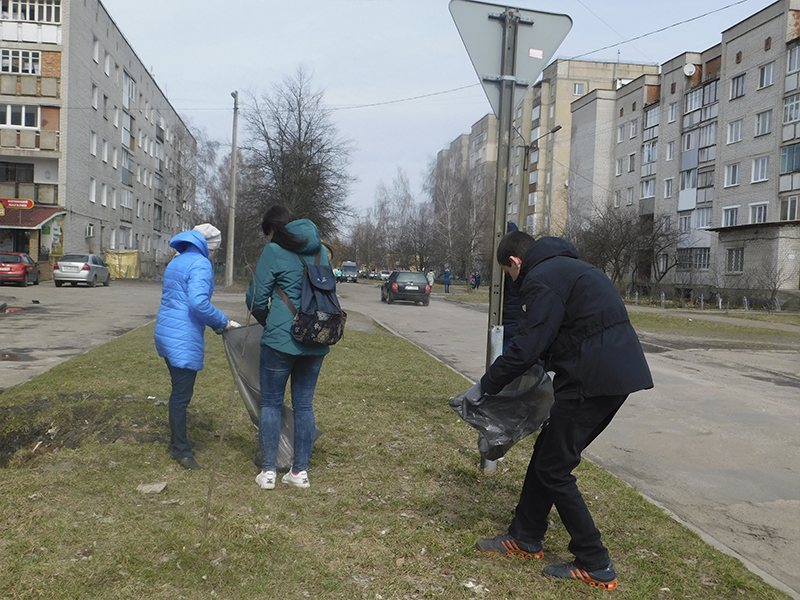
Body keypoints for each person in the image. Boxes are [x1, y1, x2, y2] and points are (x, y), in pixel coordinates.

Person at [458, 230, 653, 590]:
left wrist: (484, 387)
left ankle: (595, 561)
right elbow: (563, 331)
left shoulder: (541, 278)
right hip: (607, 375)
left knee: (555, 468)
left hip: (593, 381)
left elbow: (526, 347)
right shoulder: (567, 267)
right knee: (548, 456)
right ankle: (525, 536)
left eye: (508, 274)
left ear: (514, 263)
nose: (513, 282)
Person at [246, 206, 331, 490]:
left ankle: (268, 472)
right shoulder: (322, 251)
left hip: (281, 340)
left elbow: (256, 299)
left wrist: (267, 322)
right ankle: (300, 473)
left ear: (272, 229)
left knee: (271, 402)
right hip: (317, 337)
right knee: (304, 405)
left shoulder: (273, 251)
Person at [154, 223, 234, 470]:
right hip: (182, 335)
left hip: (166, 331)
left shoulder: (176, 261)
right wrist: (224, 322)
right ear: (209, 247)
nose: (213, 255)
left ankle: (175, 442)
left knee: (177, 390)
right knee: (181, 396)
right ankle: (181, 450)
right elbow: (198, 304)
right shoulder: (200, 264)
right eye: (214, 250)